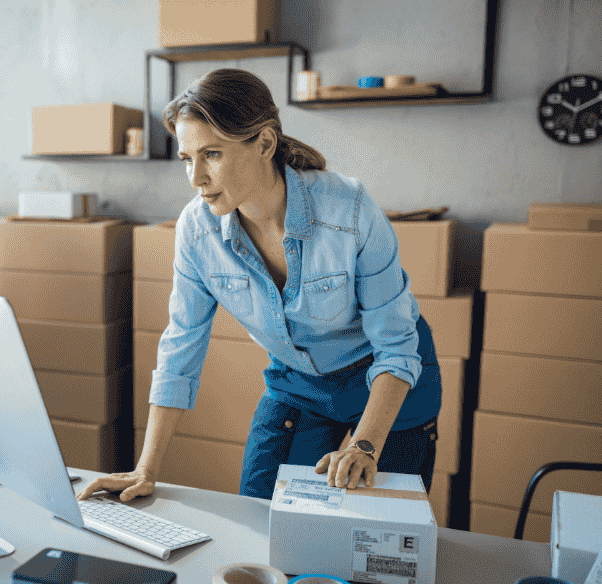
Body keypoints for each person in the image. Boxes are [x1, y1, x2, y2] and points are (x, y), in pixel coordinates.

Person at [77, 68, 441, 504]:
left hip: (391, 383)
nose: (195, 178)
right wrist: (145, 468)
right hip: (299, 384)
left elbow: (397, 346)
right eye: (187, 158)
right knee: (260, 512)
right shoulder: (197, 231)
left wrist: (363, 446)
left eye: (211, 154)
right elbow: (181, 347)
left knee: (371, 541)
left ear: (265, 143)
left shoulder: (349, 210)